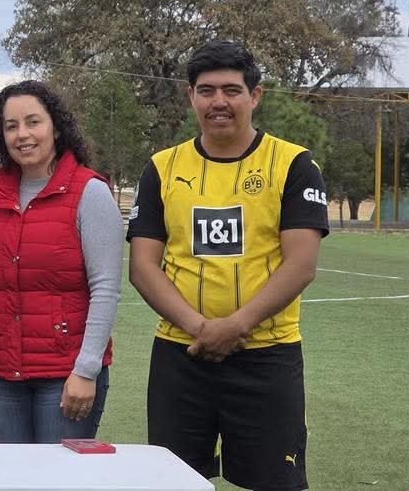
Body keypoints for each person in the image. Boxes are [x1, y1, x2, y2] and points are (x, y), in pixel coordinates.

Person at [128, 39, 328, 490]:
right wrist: (202, 329)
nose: (219, 101)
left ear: (254, 96)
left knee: (276, 483)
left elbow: (301, 265)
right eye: (206, 90)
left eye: (232, 90)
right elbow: (143, 267)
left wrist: (235, 325)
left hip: (266, 357)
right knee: (171, 482)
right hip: (181, 357)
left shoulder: (294, 164)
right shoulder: (161, 168)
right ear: (190, 97)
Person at [0, 80, 121, 443]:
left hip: (66, 374)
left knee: (59, 481)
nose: (23, 134)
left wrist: (86, 370)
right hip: (0, 372)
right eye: (11, 126)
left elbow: (105, 288)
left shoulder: (90, 192)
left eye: (33, 122)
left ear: (56, 126)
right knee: (11, 480)